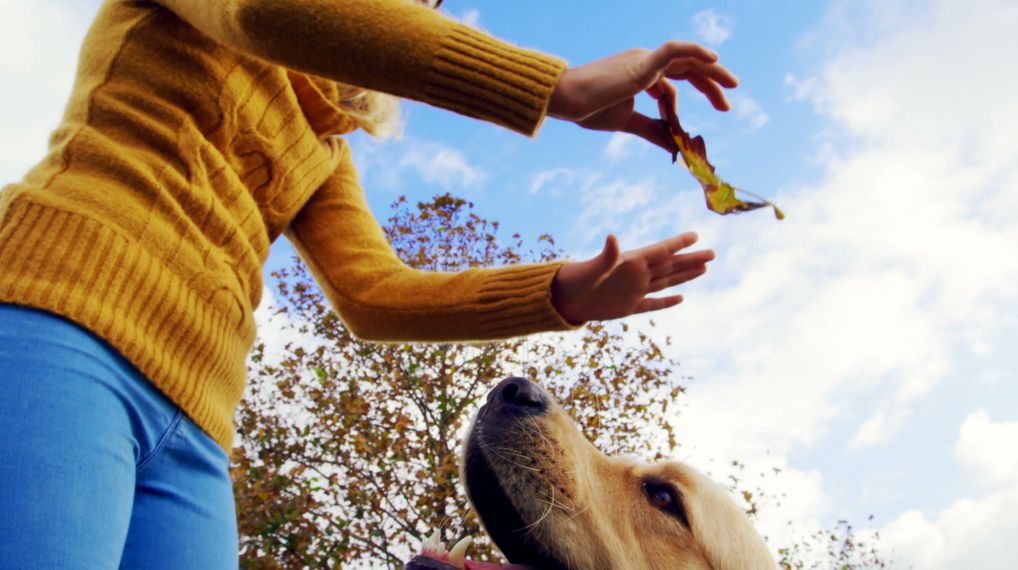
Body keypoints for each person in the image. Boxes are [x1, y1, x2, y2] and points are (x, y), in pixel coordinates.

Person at [0, 0, 739, 567]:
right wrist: (554, 87)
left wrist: (561, 294)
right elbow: (265, 12)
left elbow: (370, 293)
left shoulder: (321, 142)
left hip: (194, 420)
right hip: (58, 315)